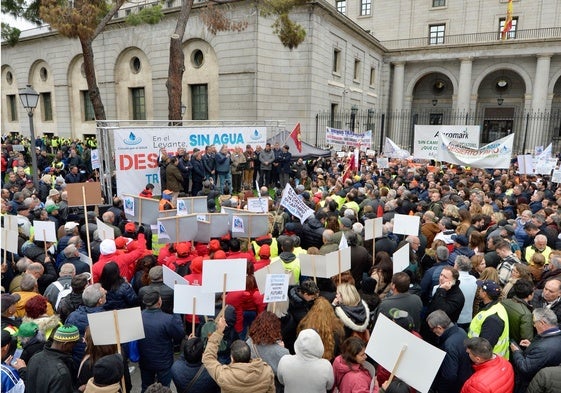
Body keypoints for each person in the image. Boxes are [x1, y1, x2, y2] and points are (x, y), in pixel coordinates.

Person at [203, 315, 275, 393]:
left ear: (232, 358)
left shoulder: (224, 376)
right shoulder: (266, 371)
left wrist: (219, 331)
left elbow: (208, 358)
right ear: (249, 355)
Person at [137, 289, 184, 392]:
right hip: (164, 362)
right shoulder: (168, 319)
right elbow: (179, 334)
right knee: (164, 388)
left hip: (145, 360)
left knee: (146, 386)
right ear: (159, 302)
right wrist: (177, 314)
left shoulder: (137, 317)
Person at [509, 308, 561, 393]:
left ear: (542, 323)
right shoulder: (555, 336)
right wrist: (532, 346)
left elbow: (525, 368)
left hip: (529, 384)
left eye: (534, 323)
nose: (534, 325)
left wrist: (516, 351)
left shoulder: (544, 348)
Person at [426, 310, 472, 393]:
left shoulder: (449, 346)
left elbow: (449, 376)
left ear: (439, 328)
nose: (432, 331)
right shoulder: (461, 331)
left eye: (432, 329)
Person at [26, 324, 81, 393]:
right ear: (65, 344)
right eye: (74, 344)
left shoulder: (34, 358)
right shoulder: (61, 373)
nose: (74, 347)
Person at [277, 329, 334, 393]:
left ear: (297, 342)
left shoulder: (284, 361)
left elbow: (281, 381)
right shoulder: (326, 366)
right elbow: (329, 386)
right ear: (318, 344)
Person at [245, 311, 289, 393]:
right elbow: (284, 376)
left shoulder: (249, 342)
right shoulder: (282, 352)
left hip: (253, 384)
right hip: (272, 386)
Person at [468, 280, 510, 359]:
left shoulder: (493, 319)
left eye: (480, 289)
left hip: (488, 361)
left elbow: (485, 347)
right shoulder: (496, 307)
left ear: (484, 294)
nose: (479, 290)